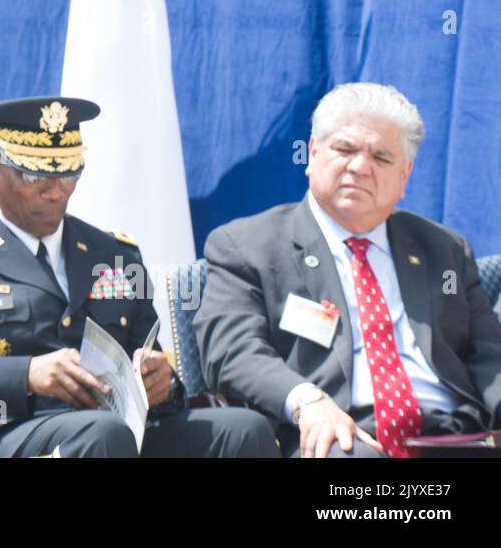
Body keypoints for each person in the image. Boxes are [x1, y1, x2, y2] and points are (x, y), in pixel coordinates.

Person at [0, 96, 278, 457]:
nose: (56, 190)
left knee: (242, 431)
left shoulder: (115, 254)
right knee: (102, 436)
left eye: (69, 172)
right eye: (34, 174)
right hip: (13, 436)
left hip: (117, 434)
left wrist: (161, 383)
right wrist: (23, 374)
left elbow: (157, 378)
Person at [196, 82, 501, 458]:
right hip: (335, 432)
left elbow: (490, 352)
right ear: (313, 153)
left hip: (452, 434)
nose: (359, 167)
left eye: (381, 158)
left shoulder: (444, 249)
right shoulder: (247, 246)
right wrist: (307, 401)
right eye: (345, 149)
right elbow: (232, 353)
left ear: (404, 176)